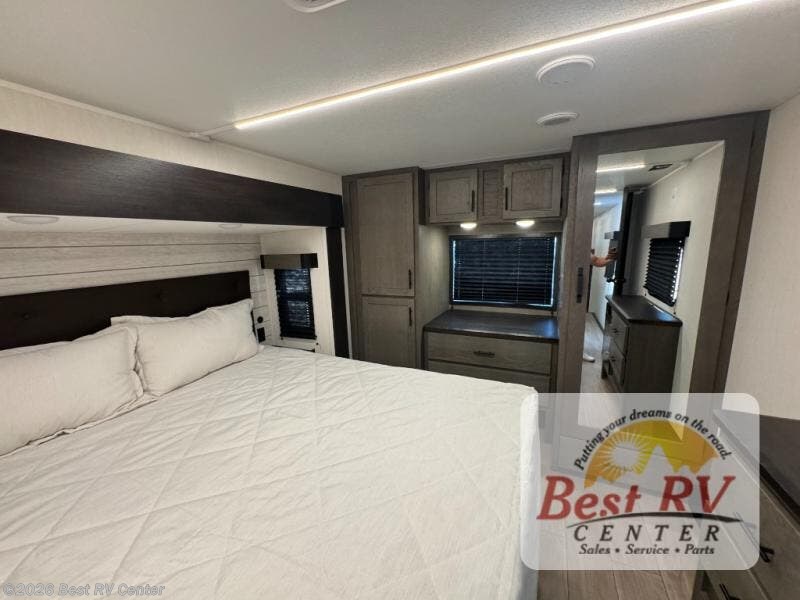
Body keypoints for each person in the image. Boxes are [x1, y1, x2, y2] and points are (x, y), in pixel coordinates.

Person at [583, 248, 618, 363]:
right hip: (566, 291)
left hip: (577, 293)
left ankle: (578, 349)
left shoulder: (583, 248)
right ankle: (573, 349)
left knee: (578, 324)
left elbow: (597, 260)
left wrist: (610, 258)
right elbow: (596, 261)